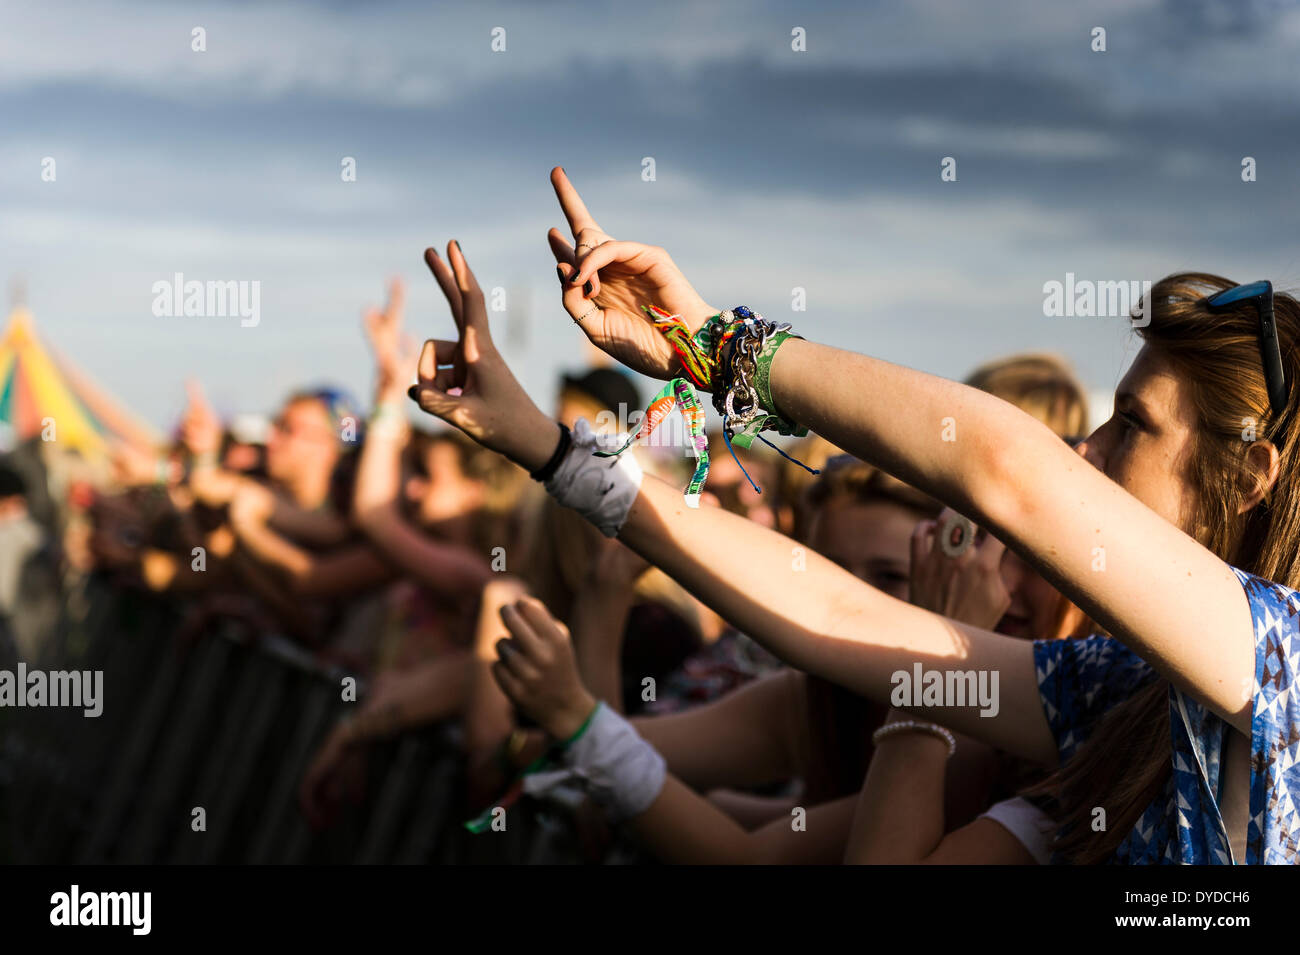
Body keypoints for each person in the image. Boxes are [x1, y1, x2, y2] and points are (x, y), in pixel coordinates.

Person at [407, 169, 1300, 865]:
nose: (1087, 451)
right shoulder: (1127, 690)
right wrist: (550, 450)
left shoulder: (1286, 653)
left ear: (1251, 474)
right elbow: (839, 617)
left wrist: (719, 341)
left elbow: (1007, 469)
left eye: (1134, 423)